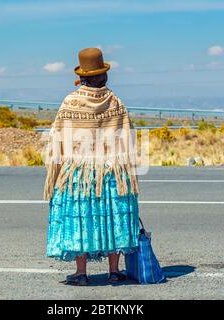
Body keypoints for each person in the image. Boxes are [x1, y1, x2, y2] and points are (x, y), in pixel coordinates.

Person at [43, 48, 140, 286]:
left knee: (81, 219)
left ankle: (81, 273)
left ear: (82, 76)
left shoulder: (71, 102)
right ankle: (115, 270)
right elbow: (125, 138)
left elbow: (58, 137)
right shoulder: (116, 102)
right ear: (104, 74)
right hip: (111, 172)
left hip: (79, 174)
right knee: (111, 217)